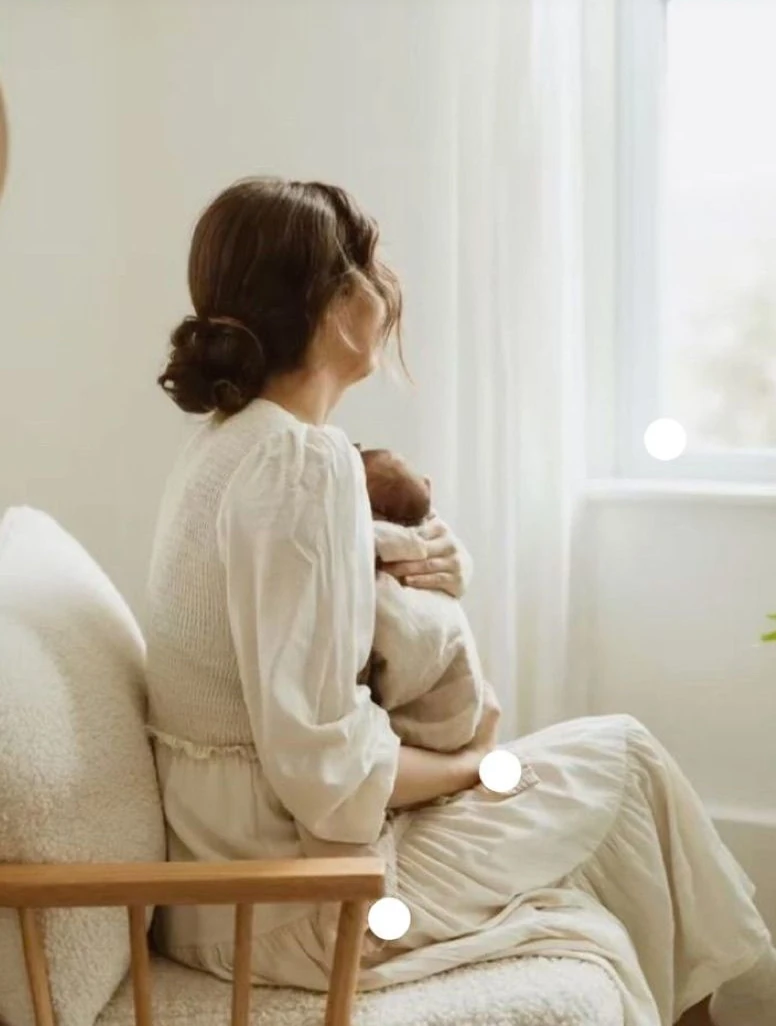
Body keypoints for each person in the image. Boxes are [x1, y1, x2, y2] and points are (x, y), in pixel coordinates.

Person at [144, 177, 776, 1026]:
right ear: (331, 307)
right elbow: (327, 774)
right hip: (296, 905)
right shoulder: (302, 464)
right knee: (626, 764)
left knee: (610, 852)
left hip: (227, 899)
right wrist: (472, 768)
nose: (387, 287)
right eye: (368, 266)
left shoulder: (231, 449)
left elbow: (295, 633)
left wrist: (425, 560)